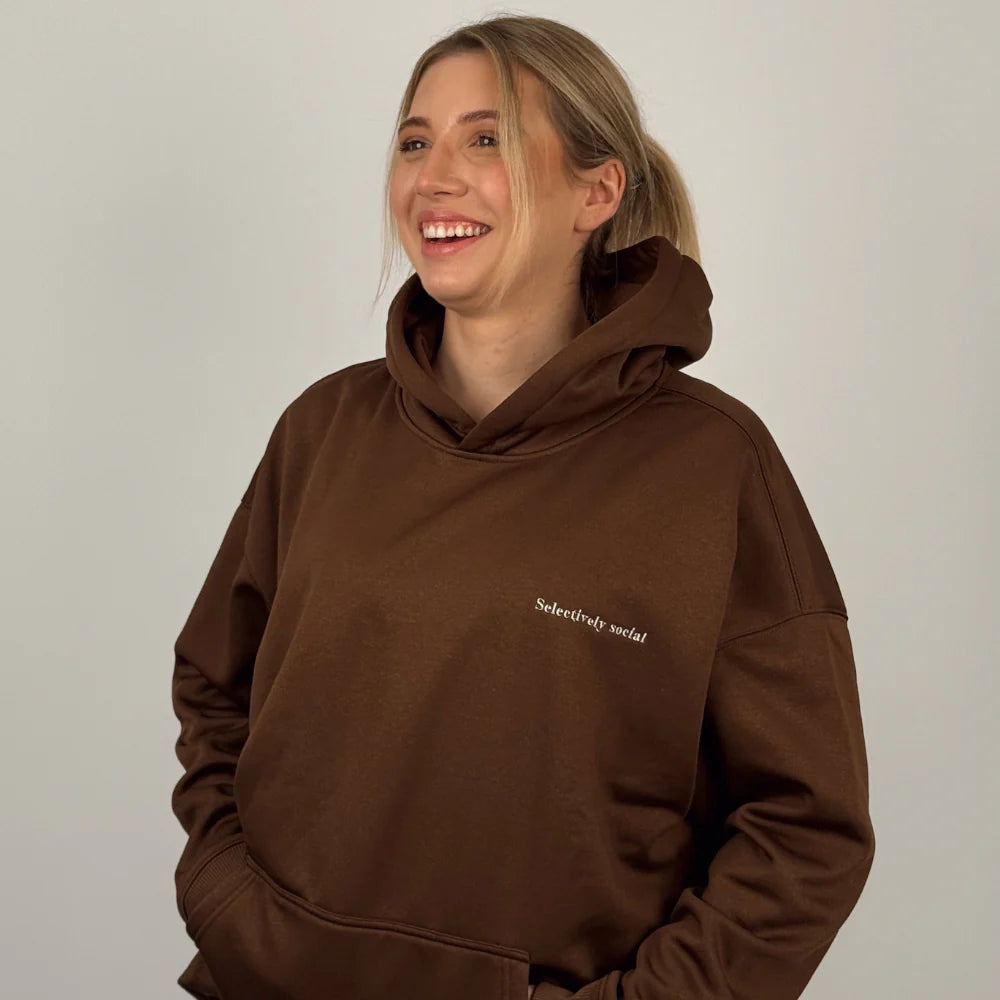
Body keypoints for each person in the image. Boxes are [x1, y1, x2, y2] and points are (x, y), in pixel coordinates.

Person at [170, 14, 875, 1000]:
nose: (434, 177)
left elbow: (805, 827)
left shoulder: (712, 465)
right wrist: (225, 895)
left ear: (597, 191)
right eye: (414, 141)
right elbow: (216, 686)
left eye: (487, 138)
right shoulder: (324, 428)